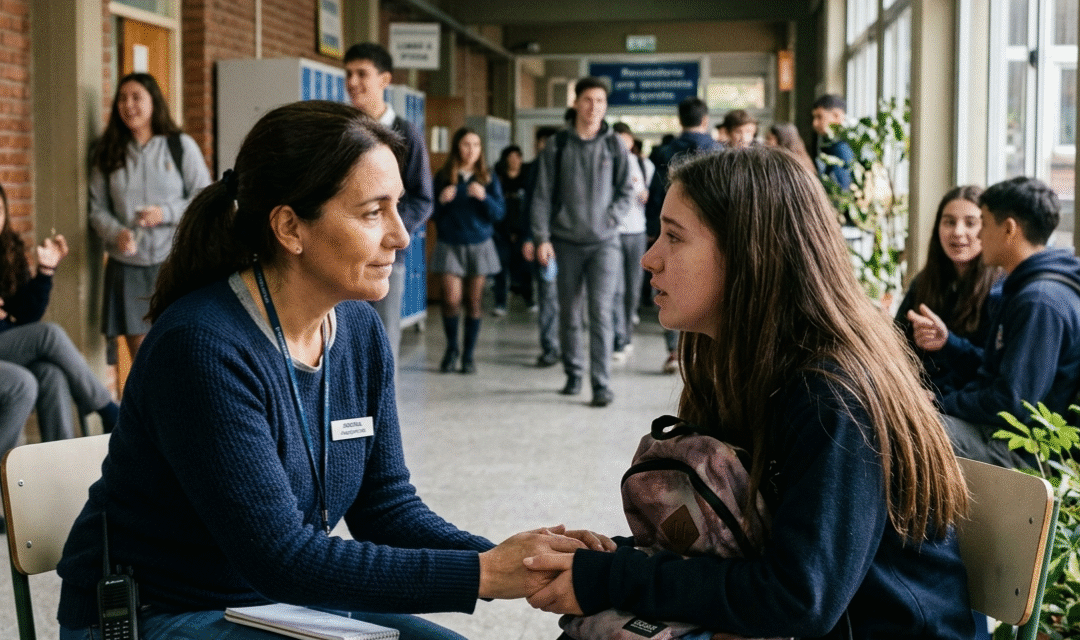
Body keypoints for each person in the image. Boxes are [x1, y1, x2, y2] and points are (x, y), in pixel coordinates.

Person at [56, 101, 597, 640]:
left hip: (275, 602)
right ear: (290, 227)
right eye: (372, 212)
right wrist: (482, 574)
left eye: (398, 207)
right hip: (156, 613)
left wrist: (525, 565)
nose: (401, 236)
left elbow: (385, 507)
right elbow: (282, 557)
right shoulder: (202, 347)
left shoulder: (358, 330)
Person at [522, 147, 975, 639]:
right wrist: (610, 558)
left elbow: (798, 597)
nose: (650, 258)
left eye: (674, 236)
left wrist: (611, 579)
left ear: (749, 253)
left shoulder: (833, 396)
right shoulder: (747, 365)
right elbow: (735, 540)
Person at [910, 177, 1080, 469]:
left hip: (1021, 455)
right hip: (999, 436)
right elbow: (998, 375)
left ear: (1009, 229)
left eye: (983, 224)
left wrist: (938, 403)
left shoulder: (1039, 302)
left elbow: (1010, 403)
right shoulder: (1025, 289)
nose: (977, 237)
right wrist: (948, 348)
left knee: (902, 429)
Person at [89, 72, 212, 363]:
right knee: (144, 360)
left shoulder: (180, 146)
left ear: (153, 102)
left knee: (180, 349)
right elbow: (96, 209)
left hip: (173, 264)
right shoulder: (106, 151)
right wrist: (116, 232)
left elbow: (205, 197)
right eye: (122, 98)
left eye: (136, 97)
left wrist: (165, 213)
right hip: (127, 267)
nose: (128, 105)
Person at [530, 77, 633, 407]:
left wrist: (611, 217)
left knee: (601, 313)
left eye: (601, 101)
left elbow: (626, 191)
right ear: (576, 103)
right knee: (569, 314)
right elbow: (542, 196)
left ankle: (601, 384)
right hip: (565, 242)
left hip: (605, 243)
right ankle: (574, 373)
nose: (594, 107)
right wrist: (542, 237)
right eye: (588, 100)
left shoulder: (615, 145)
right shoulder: (558, 146)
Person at [0, 182, 118, 450]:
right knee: (49, 334)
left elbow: (25, 316)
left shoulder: (7, 250)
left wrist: (45, 270)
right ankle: (107, 410)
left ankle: (61, 461)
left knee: (51, 374)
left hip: (6, 340)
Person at [344, 42, 435, 366]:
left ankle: (382, 415)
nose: (352, 82)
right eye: (348, 73)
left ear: (384, 80)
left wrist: (381, 232)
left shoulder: (406, 133)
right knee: (344, 341)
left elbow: (422, 198)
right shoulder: (344, 131)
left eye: (362, 74)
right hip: (344, 252)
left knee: (382, 341)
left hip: (385, 259)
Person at [895, 186, 1001, 393]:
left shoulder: (1000, 289)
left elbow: (994, 369)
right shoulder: (924, 281)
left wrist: (948, 343)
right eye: (949, 222)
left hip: (963, 406)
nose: (958, 232)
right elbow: (897, 344)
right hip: (920, 397)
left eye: (970, 223)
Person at [646, 96, 720, 374]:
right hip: (710, 235)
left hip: (669, 231)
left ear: (680, 120)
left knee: (668, 287)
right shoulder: (719, 152)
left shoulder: (663, 153)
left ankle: (675, 350)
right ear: (705, 119)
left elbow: (655, 198)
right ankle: (707, 350)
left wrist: (656, 230)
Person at [431, 127, 506, 374]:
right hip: (450, 243)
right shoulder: (443, 176)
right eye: (466, 144)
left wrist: (484, 198)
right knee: (451, 300)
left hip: (479, 244)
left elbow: (499, 213)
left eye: (475, 145)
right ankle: (451, 348)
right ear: (457, 147)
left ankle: (469, 355)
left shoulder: (487, 177)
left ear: (481, 150)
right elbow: (432, 214)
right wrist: (441, 201)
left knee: (474, 301)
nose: (471, 150)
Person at [610, 122, 653, 362]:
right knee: (616, 289)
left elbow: (655, 197)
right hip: (613, 232)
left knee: (632, 289)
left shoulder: (644, 165)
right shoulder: (608, 165)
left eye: (624, 138)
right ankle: (618, 338)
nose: (621, 143)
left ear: (631, 140)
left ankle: (626, 333)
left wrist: (647, 195)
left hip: (637, 232)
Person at [522, 125, 562, 367]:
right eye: (543, 143)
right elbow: (531, 204)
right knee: (547, 294)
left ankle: (569, 346)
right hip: (544, 240)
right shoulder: (536, 167)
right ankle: (550, 347)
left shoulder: (569, 165)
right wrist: (530, 237)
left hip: (571, 241)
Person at [493, 144, 532, 315]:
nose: (514, 160)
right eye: (511, 157)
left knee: (525, 268)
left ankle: (529, 299)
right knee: (501, 268)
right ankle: (500, 303)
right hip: (502, 232)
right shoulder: (498, 180)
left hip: (522, 232)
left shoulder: (527, 179)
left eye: (518, 156)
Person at [811, 94, 854, 192]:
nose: (814, 123)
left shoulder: (844, 146)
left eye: (819, 117)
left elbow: (842, 188)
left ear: (837, 115)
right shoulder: (826, 141)